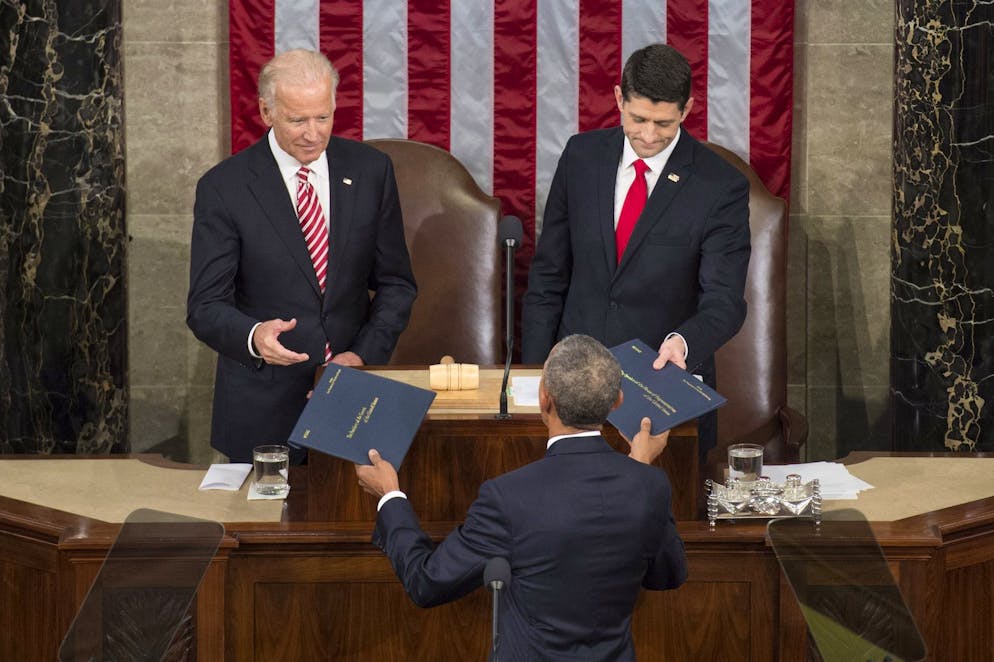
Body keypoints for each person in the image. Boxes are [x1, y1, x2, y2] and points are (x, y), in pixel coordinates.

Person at [355, 334, 687, 661]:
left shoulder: (508, 497)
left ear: (544, 399)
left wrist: (390, 496)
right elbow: (667, 575)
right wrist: (639, 470)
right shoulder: (650, 486)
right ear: (617, 400)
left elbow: (427, 583)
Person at [187, 49, 416, 462]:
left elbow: (396, 284)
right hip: (262, 412)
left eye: (323, 117)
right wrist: (254, 336)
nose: (313, 133)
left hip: (354, 400)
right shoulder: (225, 187)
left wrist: (362, 354)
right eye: (297, 120)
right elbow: (205, 307)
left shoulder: (371, 171)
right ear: (266, 111)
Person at [521, 44, 750, 456]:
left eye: (663, 123)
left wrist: (684, 341)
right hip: (571, 394)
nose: (648, 135)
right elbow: (549, 274)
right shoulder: (581, 157)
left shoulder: (720, 186)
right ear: (618, 99)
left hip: (660, 394)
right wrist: (538, 373)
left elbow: (725, 301)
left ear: (687, 109)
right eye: (638, 118)